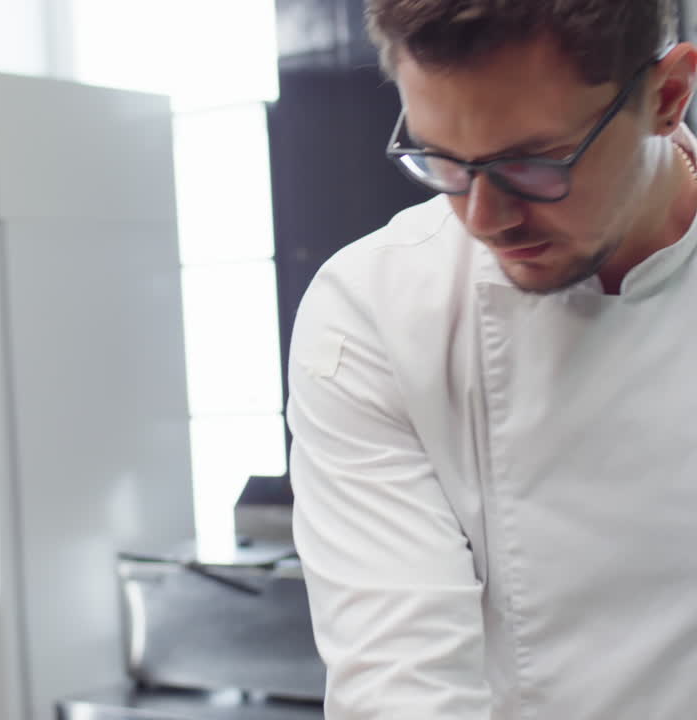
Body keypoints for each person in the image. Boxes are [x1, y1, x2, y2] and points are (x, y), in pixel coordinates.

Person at [286, 1, 697, 718]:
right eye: (441, 157)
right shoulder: (374, 313)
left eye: (533, 163)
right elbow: (401, 686)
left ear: (665, 97)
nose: (484, 219)